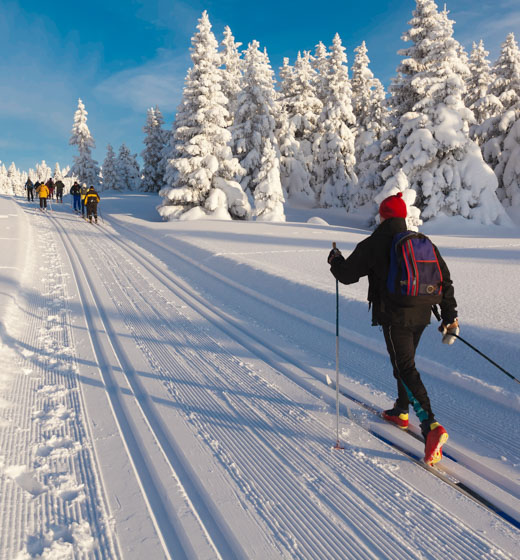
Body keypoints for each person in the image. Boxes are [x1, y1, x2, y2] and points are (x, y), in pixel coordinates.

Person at [328, 192, 459, 466]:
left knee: (404, 368)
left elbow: (347, 275)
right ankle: (401, 410)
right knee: (404, 362)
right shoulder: (422, 242)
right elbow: (444, 281)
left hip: (394, 316)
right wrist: (450, 317)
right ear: (402, 216)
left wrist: (335, 259)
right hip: (423, 314)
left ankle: (431, 427)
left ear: (383, 216)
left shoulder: (375, 242)